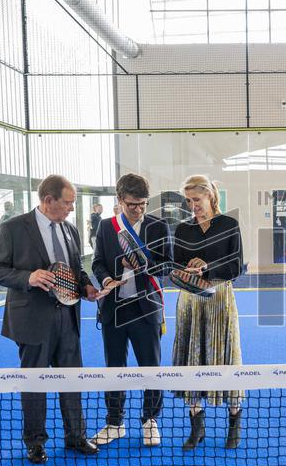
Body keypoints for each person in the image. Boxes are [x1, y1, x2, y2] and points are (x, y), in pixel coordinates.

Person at [0, 174, 101, 464]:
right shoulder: (13, 228)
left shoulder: (70, 230)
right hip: (32, 321)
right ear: (48, 200)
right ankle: (35, 442)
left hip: (69, 318)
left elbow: (76, 269)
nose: (72, 209)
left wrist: (85, 286)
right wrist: (28, 277)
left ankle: (76, 436)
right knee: (34, 382)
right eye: (68, 203)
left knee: (72, 380)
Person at [90, 175, 172, 447]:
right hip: (114, 309)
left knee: (151, 368)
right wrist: (106, 280)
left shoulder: (158, 226)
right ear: (120, 200)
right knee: (114, 368)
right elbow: (98, 263)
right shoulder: (105, 227)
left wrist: (143, 265)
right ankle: (115, 423)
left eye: (143, 204)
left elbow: (167, 266)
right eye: (132, 204)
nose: (138, 210)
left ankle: (150, 421)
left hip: (146, 309)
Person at [172, 175, 244, 450]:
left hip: (220, 299)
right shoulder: (182, 229)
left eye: (197, 200)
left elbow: (235, 267)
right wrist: (183, 270)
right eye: (189, 201)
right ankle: (197, 427)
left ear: (211, 196)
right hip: (189, 301)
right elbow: (175, 265)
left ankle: (234, 423)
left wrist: (207, 268)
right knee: (192, 361)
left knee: (227, 360)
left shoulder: (229, 225)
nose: (193, 206)